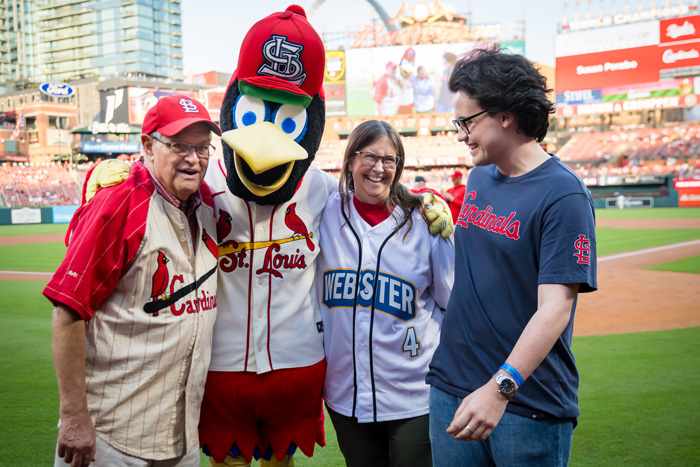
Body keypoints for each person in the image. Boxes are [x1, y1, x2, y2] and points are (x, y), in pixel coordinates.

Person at [426, 47, 598, 466]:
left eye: (466, 122)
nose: (461, 134)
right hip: (452, 386)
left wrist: (499, 388)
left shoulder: (564, 195)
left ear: (505, 115)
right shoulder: (480, 175)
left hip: (525, 402)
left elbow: (555, 309)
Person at [44, 95, 222, 466]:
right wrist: (75, 417)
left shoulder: (206, 205)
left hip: (181, 436)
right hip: (111, 437)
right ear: (147, 146)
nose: (193, 158)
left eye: (202, 147)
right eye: (178, 146)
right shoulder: (120, 203)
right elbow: (68, 312)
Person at [318, 120, 455, 467]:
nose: (379, 168)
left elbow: (450, 301)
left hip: (414, 388)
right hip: (345, 390)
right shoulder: (324, 213)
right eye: (370, 157)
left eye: (390, 160)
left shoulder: (424, 220)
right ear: (350, 161)